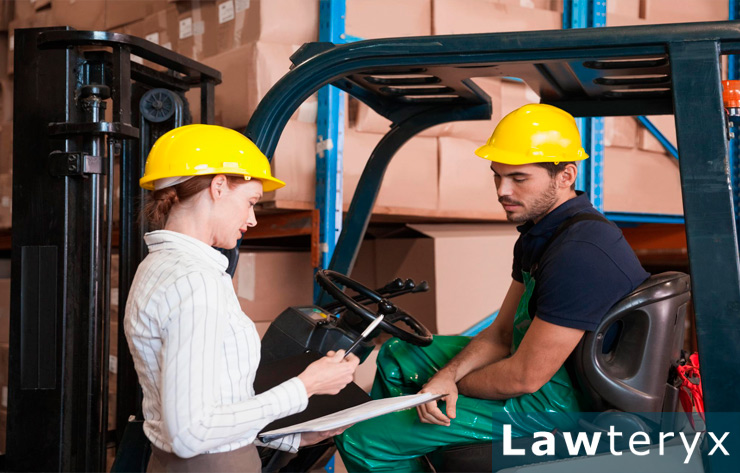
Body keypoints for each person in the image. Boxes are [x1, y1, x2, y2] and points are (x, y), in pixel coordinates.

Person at [335, 104, 650, 472]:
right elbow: (501, 333)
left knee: (361, 440)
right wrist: (447, 377)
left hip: (560, 404)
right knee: (397, 355)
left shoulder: (580, 252)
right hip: (541, 371)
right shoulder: (542, 233)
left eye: (518, 178)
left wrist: (451, 387)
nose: (503, 191)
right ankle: (418, 444)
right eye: (497, 176)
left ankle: (397, 438)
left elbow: (525, 377)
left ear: (565, 176)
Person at [125, 124, 360, 472]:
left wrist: (290, 438)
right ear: (218, 186)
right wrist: (306, 386)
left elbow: (214, 405)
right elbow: (190, 433)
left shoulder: (162, 268)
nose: (251, 219)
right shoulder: (194, 280)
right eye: (250, 202)